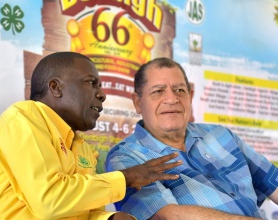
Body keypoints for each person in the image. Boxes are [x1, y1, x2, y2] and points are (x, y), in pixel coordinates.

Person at [0, 52, 183, 220]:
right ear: (55, 87)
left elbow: (79, 210)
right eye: (91, 83)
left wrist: (109, 218)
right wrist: (126, 178)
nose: (102, 94)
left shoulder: (81, 146)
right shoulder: (24, 118)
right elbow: (50, 200)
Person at [105, 57, 278, 220]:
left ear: (191, 96)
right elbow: (165, 215)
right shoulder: (126, 157)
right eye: (158, 91)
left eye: (179, 90)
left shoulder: (221, 135)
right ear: (137, 103)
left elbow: (273, 182)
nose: (172, 99)